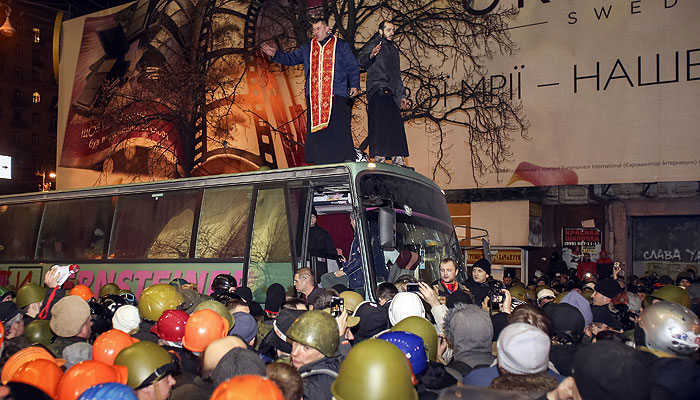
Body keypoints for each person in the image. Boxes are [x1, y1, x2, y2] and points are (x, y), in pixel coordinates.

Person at [261, 18, 360, 165]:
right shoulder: (308, 47)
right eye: (313, 29)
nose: (315, 32)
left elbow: (352, 66)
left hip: (336, 94)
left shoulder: (341, 45)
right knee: (318, 131)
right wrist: (275, 54)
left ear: (327, 29)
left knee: (338, 128)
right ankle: (321, 161)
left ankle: (344, 158)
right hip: (315, 98)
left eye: (318, 29)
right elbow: (291, 58)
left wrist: (354, 85)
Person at [357, 20, 410, 166]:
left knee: (395, 125)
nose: (392, 32)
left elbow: (397, 75)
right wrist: (371, 55)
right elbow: (360, 61)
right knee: (379, 124)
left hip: (392, 92)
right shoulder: (374, 43)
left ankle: (398, 158)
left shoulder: (394, 50)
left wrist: (402, 95)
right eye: (388, 30)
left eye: (393, 30)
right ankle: (379, 157)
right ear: (380, 31)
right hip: (378, 88)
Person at [286, 310, 342, 400]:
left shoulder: (308, 389)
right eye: (295, 343)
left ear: (325, 349)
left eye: (306, 348)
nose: (294, 353)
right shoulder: (339, 365)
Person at [320, 214, 364, 292]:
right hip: (354, 276)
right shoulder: (358, 237)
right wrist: (346, 262)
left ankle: (332, 297)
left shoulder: (360, 238)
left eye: (351, 220)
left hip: (357, 278)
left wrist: (344, 271)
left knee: (326, 278)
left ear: (355, 221)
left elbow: (360, 260)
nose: (350, 223)